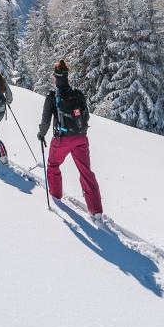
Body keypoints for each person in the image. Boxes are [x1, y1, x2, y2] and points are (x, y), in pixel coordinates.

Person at [37, 59, 103, 219]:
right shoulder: (78, 94)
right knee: (86, 172)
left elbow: (46, 121)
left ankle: (56, 196)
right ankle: (96, 211)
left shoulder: (52, 97)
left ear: (55, 77)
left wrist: (41, 134)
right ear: (67, 76)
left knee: (53, 164)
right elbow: (86, 115)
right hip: (81, 137)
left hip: (62, 139)